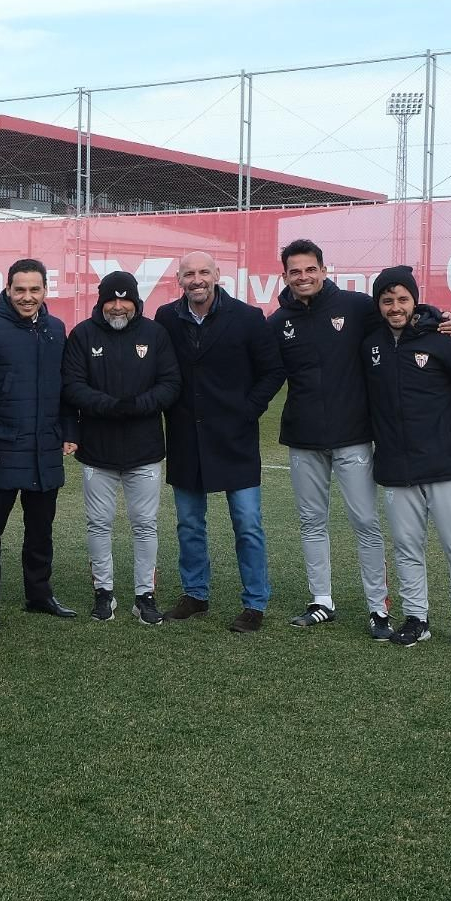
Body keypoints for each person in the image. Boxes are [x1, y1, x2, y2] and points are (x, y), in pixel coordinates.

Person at [269, 240, 451, 634]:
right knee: (311, 522)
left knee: (364, 522)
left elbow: (405, 319)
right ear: (285, 276)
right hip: (303, 438)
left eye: (310, 269)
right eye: (295, 271)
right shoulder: (278, 322)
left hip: (354, 436)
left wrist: (444, 318)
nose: (303, 277)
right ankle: (321, 600)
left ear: (324, 270)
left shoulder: (357, 307)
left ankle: (378, 607)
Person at [364, 266, 451, 655]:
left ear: (414, 300)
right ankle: (416, 619)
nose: (395, 307)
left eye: (402, 299)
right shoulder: (370, 342)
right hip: (396, 469)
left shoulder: (445, 337)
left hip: (448, 467)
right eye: (387, 300)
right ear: (378, 304)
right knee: (407, 548)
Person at [155, 251, 287, 633]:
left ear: (217, 275)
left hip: (235, 439)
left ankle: (255, 602)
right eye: (188, 274)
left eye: (203, 272)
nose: (196, 279)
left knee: (247, 523)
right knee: (189, 524)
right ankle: (195, 594)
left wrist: (247, 411)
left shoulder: (247, 318)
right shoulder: (166, 318)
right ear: (179, 280)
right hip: (185, 438)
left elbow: (273, 370)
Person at [61, 271, 181, 625]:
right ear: (101, 301)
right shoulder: (83, 334)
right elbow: (72, 384)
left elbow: (171, 383)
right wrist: (109, 406)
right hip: (97, 450)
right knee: (99, 524)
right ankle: (104, 592)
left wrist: (139, 405)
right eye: (110, 299)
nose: (117, 306)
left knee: (145, 524)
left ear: (135, 301)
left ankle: (145, 595)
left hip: (144, 450)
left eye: (124, 299)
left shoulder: (155, 334)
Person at [0, 258, 74, 627]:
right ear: (8, 289)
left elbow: (65, 388)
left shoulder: (56, 329)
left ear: (46, 290)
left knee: (41, 531)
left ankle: (40, 595)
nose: (27, 297)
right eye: (20, 290)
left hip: (44, 450)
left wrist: (68, 432)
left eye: (35, 289)